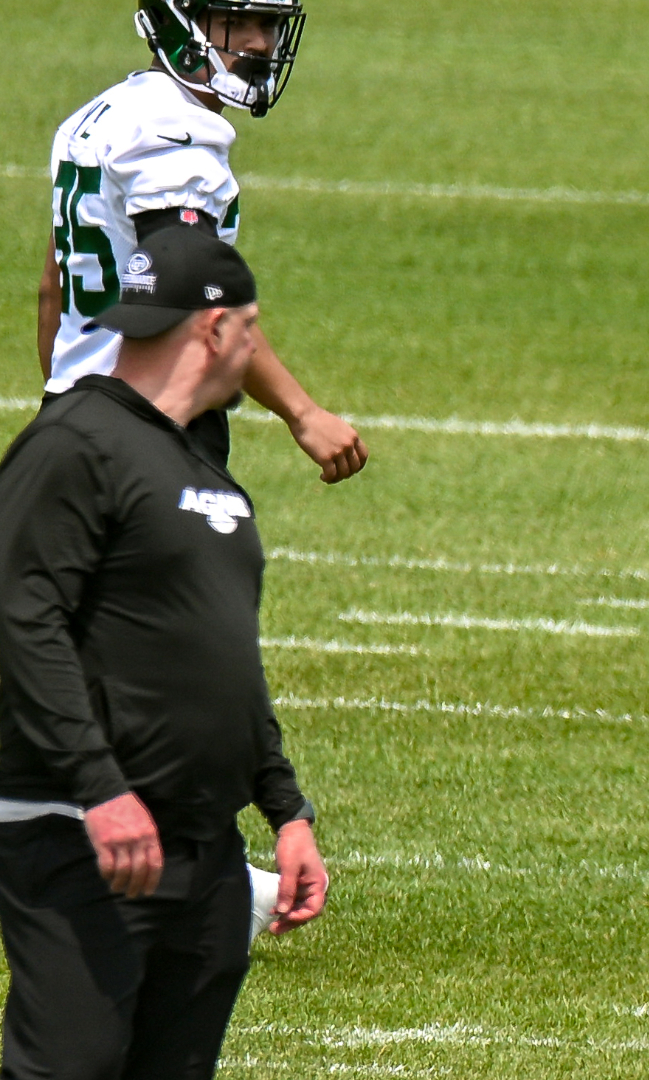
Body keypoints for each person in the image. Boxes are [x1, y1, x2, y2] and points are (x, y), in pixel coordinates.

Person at [0, 227, 327, 1080]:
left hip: (201, 847)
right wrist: (101, 790)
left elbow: (226, 666)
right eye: (251, 329)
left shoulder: (208, 476)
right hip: (84, 838)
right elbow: (21, 619)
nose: (256, 352)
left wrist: (285, 810)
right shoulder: (75, 444)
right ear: (213, 330)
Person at [37, 0, 367, 484]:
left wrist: (65, 406)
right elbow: (194, 294)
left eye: (268, 24)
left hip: (72, 414)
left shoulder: (99, 117)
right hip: (157, 420)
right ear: (177, 25)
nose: (258, 43)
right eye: (235, 23)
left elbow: (53, 286)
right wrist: (304, 414)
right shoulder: (174, 134)